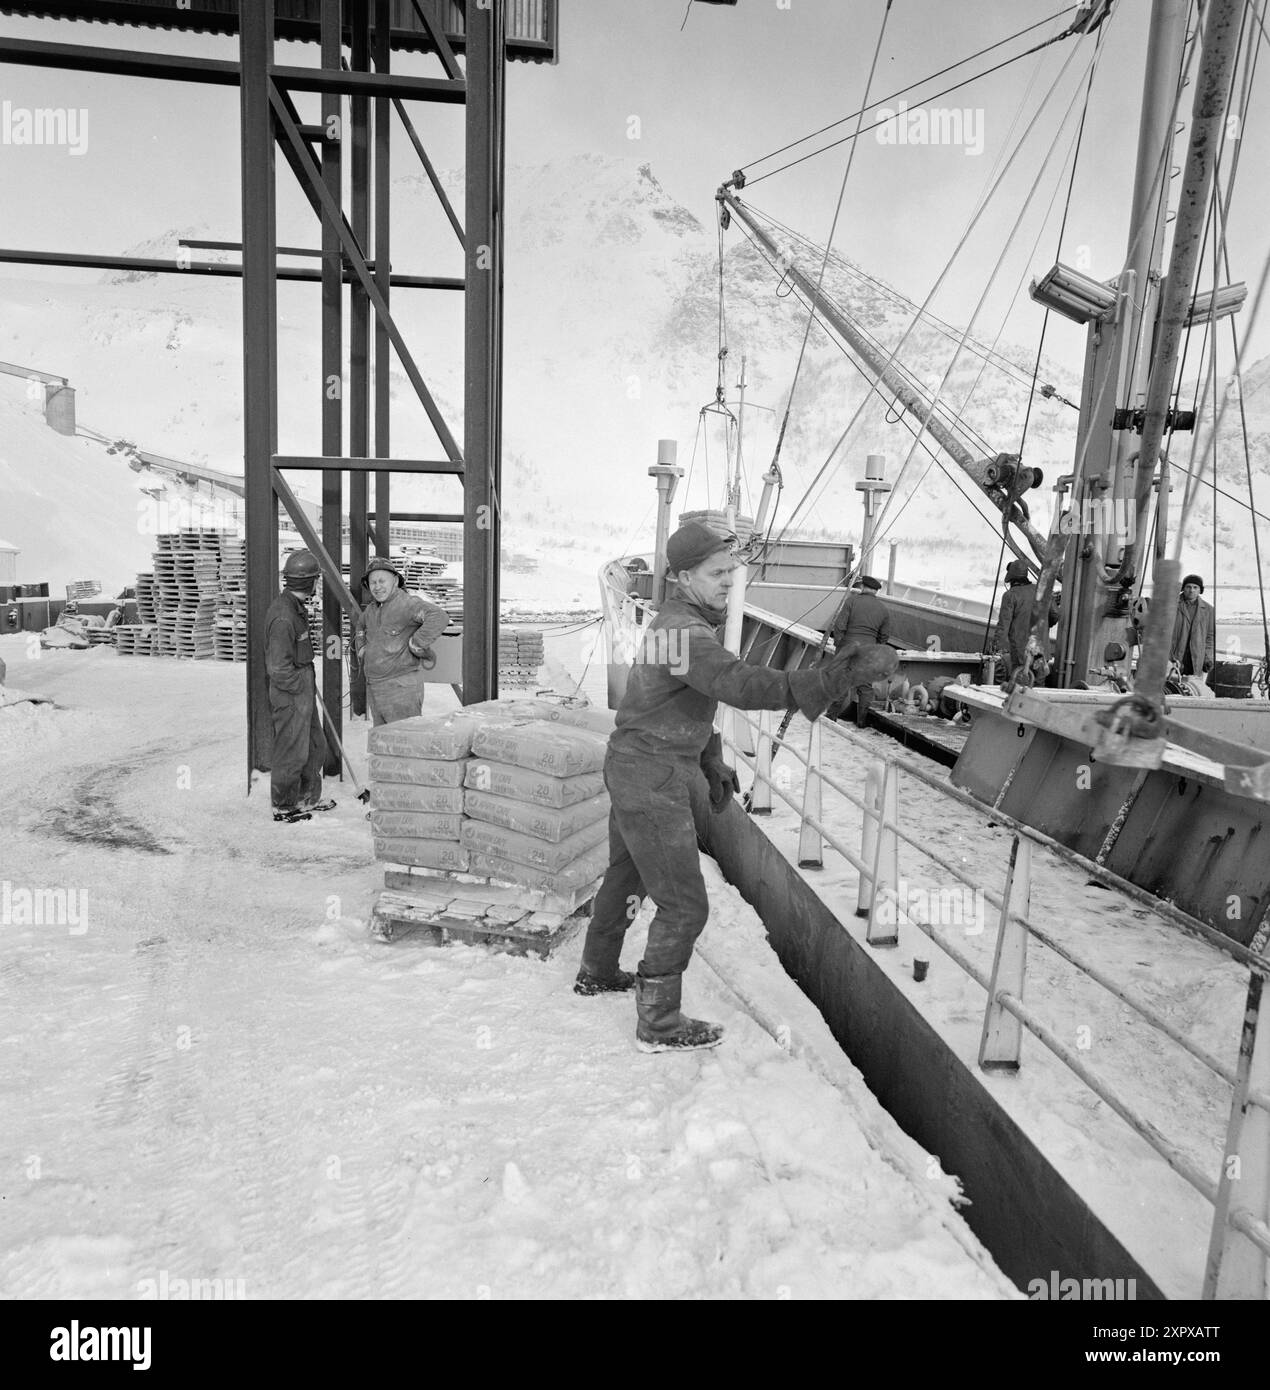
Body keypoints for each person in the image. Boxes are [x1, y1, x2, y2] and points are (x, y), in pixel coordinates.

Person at [575, 520, 898, 1053]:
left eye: (731, 570)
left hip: (639, 763)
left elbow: (670, 704)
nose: (730, 580)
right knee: (685, 905)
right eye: (718, 572)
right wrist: (828, 680)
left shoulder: (676, 624)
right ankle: (657, 1023)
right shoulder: (684, 633)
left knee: (627, 872)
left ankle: (597, 969)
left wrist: (711, 759)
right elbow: (736, 683)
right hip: (652, 775)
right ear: (683, 578)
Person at [264, 549, 331, 823]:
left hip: (302, 686)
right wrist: (298, 688)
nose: (317, 583)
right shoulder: (283, 615)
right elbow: (278, 668)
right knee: (291, 750)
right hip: (291, 693)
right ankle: (284, 804)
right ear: (309, 582)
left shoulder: (295, 607)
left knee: (315, 745)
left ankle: (307, 797)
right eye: (316, 579)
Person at [354, 557, 449, 726]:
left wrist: (417, 643)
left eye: (382, 581)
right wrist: (361, 647)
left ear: (395, 581)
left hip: (401, 689)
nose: (377, 587)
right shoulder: (372, 609)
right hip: (375, 688)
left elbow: (439, 616)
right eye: (373, 582)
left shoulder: (407, 604)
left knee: (404, 741)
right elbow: (360, 625)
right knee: (383, 744)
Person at [827, 574, 892, 726]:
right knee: (865, 686)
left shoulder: (851, 601)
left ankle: (831, 717)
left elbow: (840, 625)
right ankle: (862, 721)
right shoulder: (883, 609)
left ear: (862, 587)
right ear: (876, 591)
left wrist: (839, 644)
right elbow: (884, 635)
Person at [1170, 572, 1215, 681]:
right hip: (1174, 656)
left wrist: (1208, 658)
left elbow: (1210, 636)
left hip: (1195, 657)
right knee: (1171, 686)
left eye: (1195, 587)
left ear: (1200, 590)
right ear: (1183, 588)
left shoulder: (1208, 610)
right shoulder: (1171, 606)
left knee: (1192, 687)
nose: (1191, 590)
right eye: (1188, 587)